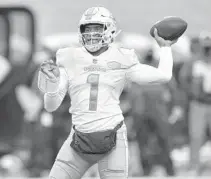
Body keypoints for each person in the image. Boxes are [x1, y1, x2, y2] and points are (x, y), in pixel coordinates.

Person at [38, 6, 176, 179]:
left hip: (113, 136)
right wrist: (51, 85)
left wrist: (165, 48)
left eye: (96, 28)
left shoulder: (121, 56)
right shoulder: (69, 57)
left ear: (110, 29)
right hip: (79, 137)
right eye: (87, 29)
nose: (91, 34)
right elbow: (51, 106)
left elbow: (163, 75)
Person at [179, 31, 211, 175]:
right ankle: (194, 166)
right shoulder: (194, 61)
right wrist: (192, 92)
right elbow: (183, 78)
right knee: (196, 135)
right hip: (198, 104)